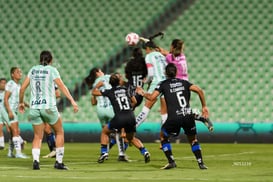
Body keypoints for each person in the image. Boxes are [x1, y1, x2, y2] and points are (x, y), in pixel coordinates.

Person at [136, 63, 209, 170]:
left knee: (163, 136)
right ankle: (201, 163)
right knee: (193, 140)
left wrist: (142, 93)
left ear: (165, 73)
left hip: (174, 118)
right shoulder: (184, 82)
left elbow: (152, 98)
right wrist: (204, 107)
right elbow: (199, 90)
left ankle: (171, 161)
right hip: (188, 115)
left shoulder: (163, 84)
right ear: (176, 72)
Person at [19, 50, 79, 170]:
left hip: (34, 107)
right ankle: (59, 162)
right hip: (48, 107)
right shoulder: (52, 70)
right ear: (51, 60)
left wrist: (21, 102)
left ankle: (36, 161)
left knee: (37, 136)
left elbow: (22, 89)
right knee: (59, 132)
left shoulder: (33, 70)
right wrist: (72, 101)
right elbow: (61, 86)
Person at [92, 73, 150, 164]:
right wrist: (129, 108)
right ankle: (145, 152)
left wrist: (97, 85)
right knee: (131, 138)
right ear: (119, 81)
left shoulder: (110, 91)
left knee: (105, 131)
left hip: (119, 117)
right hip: (131, 116)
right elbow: (134, 101)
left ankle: (104, 153)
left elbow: (94, 92)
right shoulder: (125, 89)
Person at [159, 39, 213, 132]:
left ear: (172, 47)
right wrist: (204, 106)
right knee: (183, 111)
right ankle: (201, 118)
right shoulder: (182, 56)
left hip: (176, 85)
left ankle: (167, 134)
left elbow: (163, 52)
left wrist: (154, 47)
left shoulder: (170, 58)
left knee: (171, 108)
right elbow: (167, 53)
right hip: (186, 85)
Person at [87, 67, 128, 161]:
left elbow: (93, 103)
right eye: (101, 70)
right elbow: (120, 82)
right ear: (98, 72)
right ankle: (121, 153)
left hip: (100, 110)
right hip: (111, 108)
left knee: (105, 132)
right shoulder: (109, 77)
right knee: (118, 130)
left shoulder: (95, 84)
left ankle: (105, 152)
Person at [135, 41, 168, 127]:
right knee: (164, 112)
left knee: (146, 108)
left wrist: (145, 81)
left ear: (148, 48)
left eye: (146, 49)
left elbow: (151, 74)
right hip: (167, 83)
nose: (146, 51)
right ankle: (165, 136)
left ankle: (131, 128)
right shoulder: (162, 56)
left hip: (157, 82)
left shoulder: (149, 56)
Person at [4, 67, 28, 158]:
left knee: (14, 132)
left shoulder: (18, 85)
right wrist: (9, 111)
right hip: (9, 110)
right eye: (17, 72)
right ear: (12, 74)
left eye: (21, 72)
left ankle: (10, 152)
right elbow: (5, 99)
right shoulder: (11, 83)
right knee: (16, 131)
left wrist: (28, 105)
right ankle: (18, 153)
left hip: (13, 111)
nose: (20, 73)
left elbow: (19, 100)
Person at [0, 78, 8, 150]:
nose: (3, 84)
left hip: (6, 114)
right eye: (2, 83)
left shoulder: (7, 93)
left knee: (10, 130)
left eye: (5, 83)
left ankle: (20, 141)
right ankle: (1, 145)